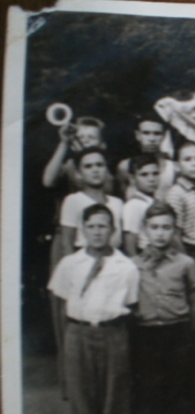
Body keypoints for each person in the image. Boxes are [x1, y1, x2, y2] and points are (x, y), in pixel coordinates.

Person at [48, 204, 139, 414]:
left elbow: (131, 304)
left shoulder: (125, 266)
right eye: (92, 226)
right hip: (78, 334)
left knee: (114, 406)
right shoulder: (69, 264)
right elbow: (62, 307)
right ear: (83, 230)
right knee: (83, 407)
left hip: (113, 334)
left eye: (103, 226)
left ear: (113, 231)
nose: (98, 232)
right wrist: (67, 346)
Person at [131, 202, 195, 414]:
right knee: (150, 403)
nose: (160, 234)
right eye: (155, 227)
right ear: (145, 230)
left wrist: (189, 332)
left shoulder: (185, 263)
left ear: (174, 230)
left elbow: (194, 301)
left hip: (178, 335)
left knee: (178, 403)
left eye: (166, 227)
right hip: (147, 337)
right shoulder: (133, 264)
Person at [53, 147, 124, 396]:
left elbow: (119, 241)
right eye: (88, 166)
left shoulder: (117, 203)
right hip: (83, 267)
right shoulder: (73, 201)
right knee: (75, 327)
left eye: (99, 165)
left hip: (110, 269)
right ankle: (72, 385)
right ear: (80, 173)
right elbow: (67, 243)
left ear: (107, 170)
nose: (95, 170)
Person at [166, 142, 195, 278]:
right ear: (177, 165)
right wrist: (187, 261)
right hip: (191, 252)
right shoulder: (176, 193)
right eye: (187, 160)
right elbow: (175, 234)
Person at [116, 114, 175, 200]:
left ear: (163, 135)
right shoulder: (125, 167)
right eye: (146, 133)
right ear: (137, 135)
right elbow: (121, 198)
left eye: (157, 133)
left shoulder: (173, 168)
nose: (152, 139)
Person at [122, 154, 160, 255]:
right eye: (144, 175)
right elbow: (130, 243)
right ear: (132, 179)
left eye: (155, 174)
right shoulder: (134, 205)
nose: (151, 179)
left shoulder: (153, 201)